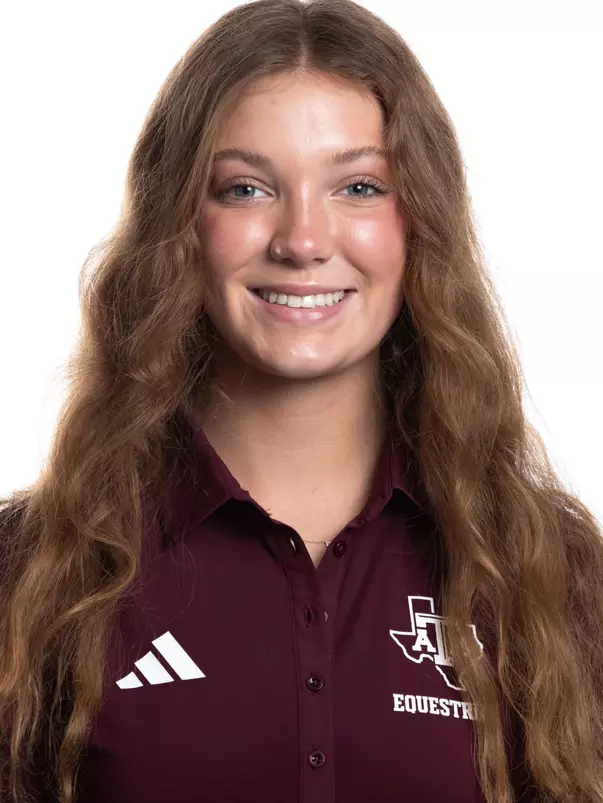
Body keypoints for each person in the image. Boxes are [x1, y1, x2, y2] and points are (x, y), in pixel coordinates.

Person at [1, 0, 602, 801]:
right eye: (246, 189)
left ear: (418, 222)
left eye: (357, 186)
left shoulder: (549, 573)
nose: (303, 239)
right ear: (180, 224)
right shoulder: (34, 572)